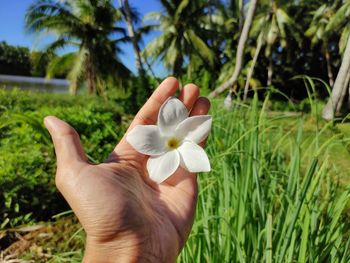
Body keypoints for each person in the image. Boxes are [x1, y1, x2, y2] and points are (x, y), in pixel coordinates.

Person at [44, 77, 211, 262]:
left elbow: (198, 133)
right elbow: (151, 158)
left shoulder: (185, 138)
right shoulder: (154, 147)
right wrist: (120, 244)